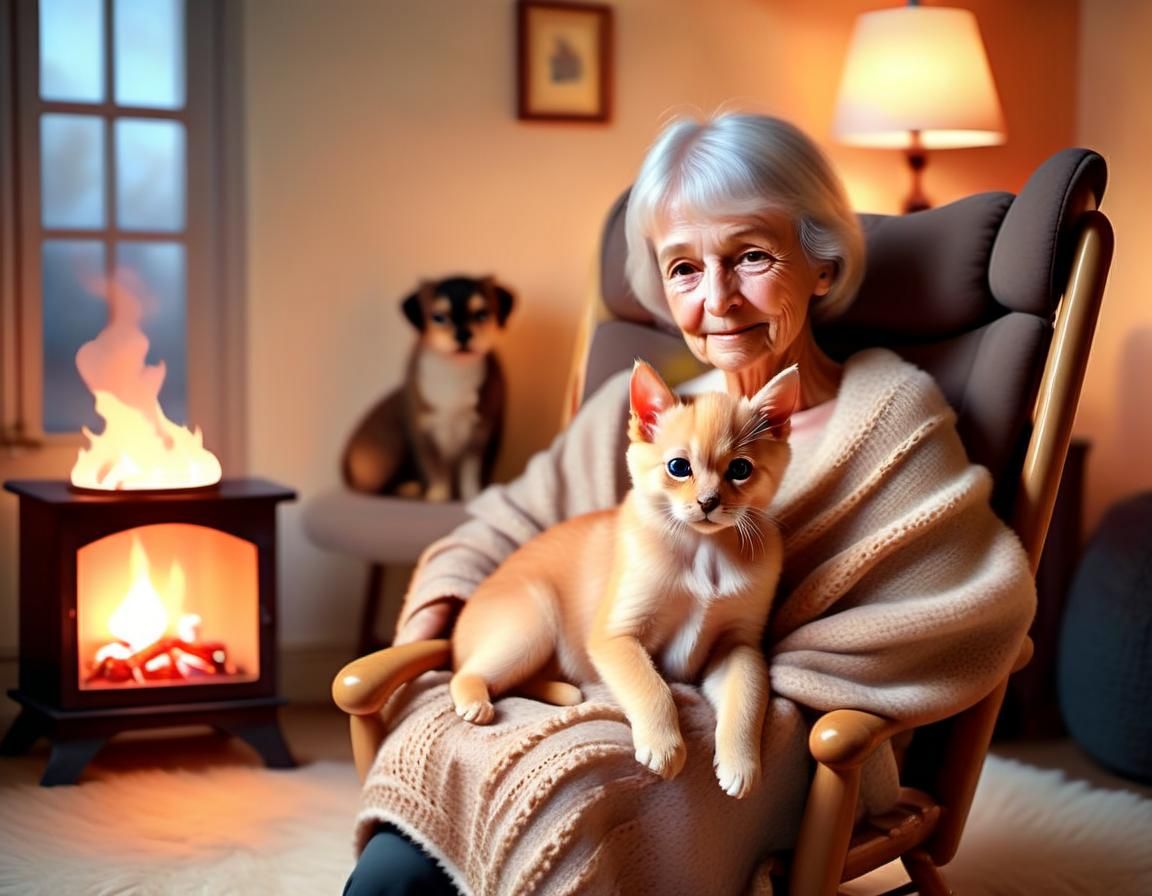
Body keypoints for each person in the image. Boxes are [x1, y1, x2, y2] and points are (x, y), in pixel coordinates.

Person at [343, 113, 1035, 895]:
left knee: (567, 790)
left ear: (822, 265)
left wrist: (762, 687)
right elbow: (510, 525)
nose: (717, 298)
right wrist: (434, 629)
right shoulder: (641, 412)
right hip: (601, 677)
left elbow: (970, 606)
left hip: (768, 738)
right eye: (684, 268)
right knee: (422, 799)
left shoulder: (891, 423)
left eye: (750, 256)